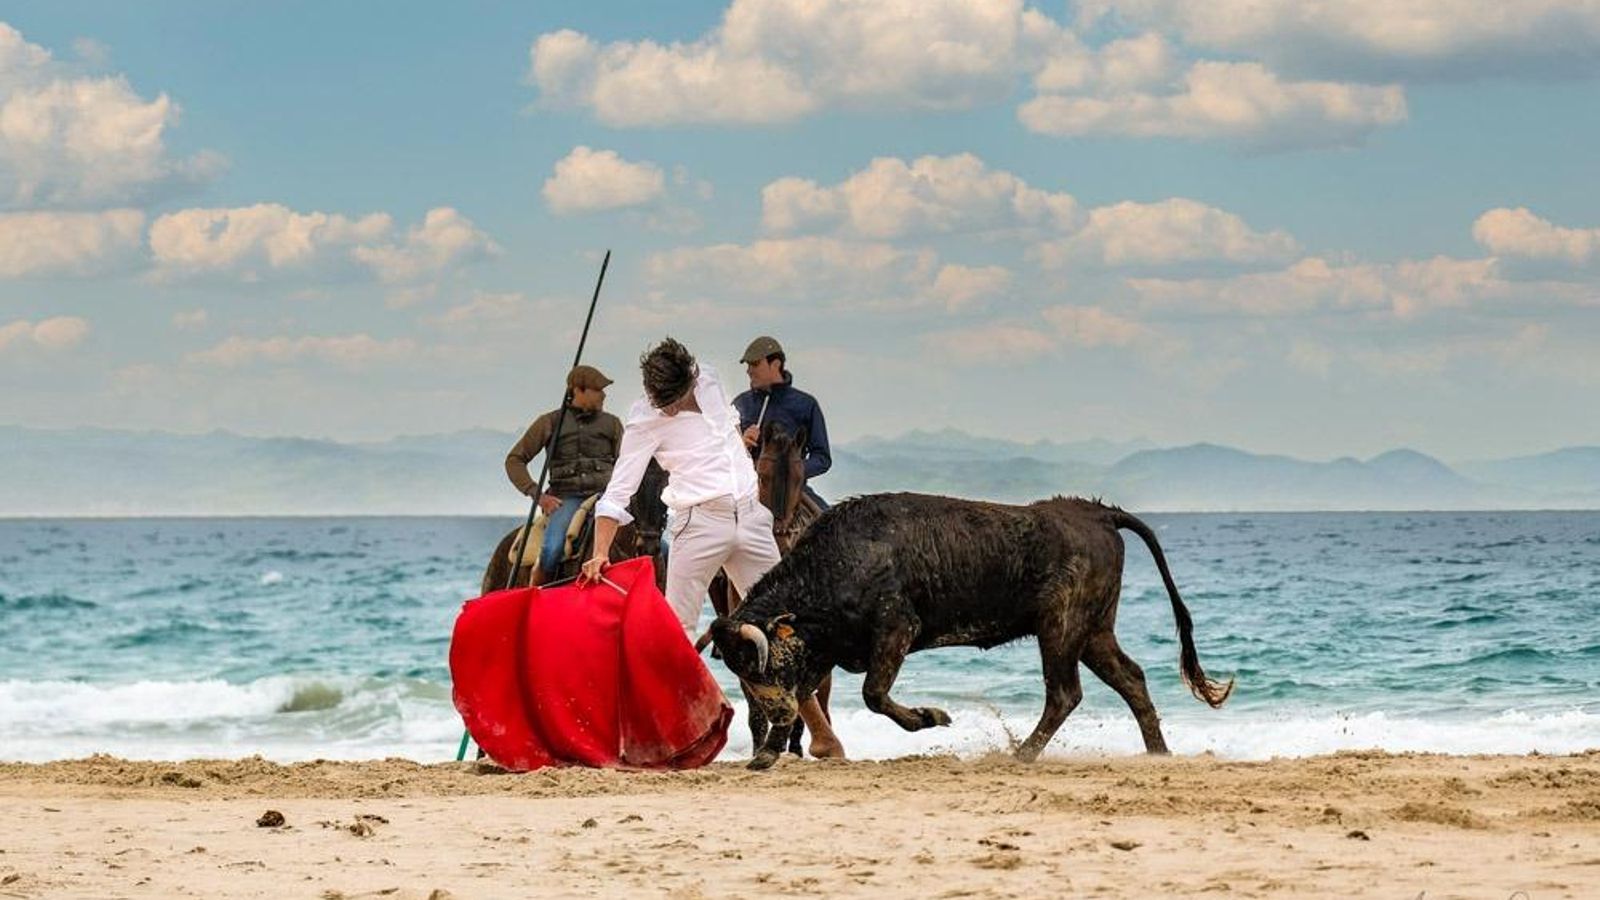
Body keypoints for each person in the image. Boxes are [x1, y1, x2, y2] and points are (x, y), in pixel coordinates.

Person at [581, 338, 844, 759]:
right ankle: (663, 736)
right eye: (659, 402)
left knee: (782, 624)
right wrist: (600, 552)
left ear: (690, 381)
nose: (666, 410)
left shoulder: (710, 379)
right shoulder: (644, 419)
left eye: (671, 402)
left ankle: (822, 735)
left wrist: (742, 444)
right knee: (675, 632)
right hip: (699, 523)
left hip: (751, 515)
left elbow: (726, 435)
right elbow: (618, 492)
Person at [504, 364, 622, 585]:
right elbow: (514, 460)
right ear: (578, 390)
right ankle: (539, 594)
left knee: (659, 548)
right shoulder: (549, 422)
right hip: (567, 499)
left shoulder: (612, 424)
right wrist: (538, 496)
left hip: (606, 497)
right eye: (597, 390)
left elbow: (626, 463)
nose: (603, 395)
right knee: (552, 549)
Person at [733, 335, 831, 509]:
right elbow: (719, 454)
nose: (749, 371)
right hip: (745, 491)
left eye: (755, 364)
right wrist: (739, 445)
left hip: (793, 491)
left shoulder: (806, 405)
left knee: (829, 522)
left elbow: (822, 458)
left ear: (775, 364)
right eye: (748, 365)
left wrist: (790, 471)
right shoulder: (740, 405)